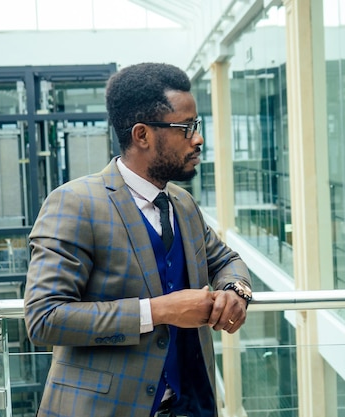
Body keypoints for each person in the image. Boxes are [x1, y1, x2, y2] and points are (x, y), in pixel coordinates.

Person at [24, 62, 252, 417]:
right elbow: (45, 318)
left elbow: (225, 260)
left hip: (192, 406)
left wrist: (235, 291)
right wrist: (161, 310)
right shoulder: (75, 203)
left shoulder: (182, 204)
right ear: (142, 135)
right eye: (186, 127)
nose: (198, 138)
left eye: (198, 125)